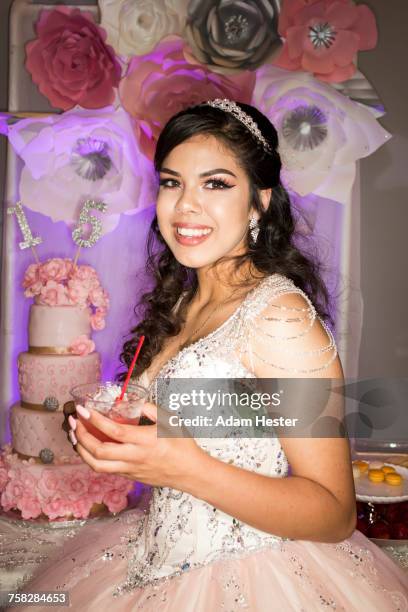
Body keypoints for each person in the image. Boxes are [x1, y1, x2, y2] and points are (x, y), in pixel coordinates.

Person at [13, 100, 408, 611]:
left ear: (259, 202)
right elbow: (187, 429)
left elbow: (334, 514)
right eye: (172, 182)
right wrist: (108, 430)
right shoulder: (184, 298)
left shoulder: (279, 317)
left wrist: (181, 466)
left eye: (216, 184)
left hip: (254, 578)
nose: (185, 207)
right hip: (148, 556)